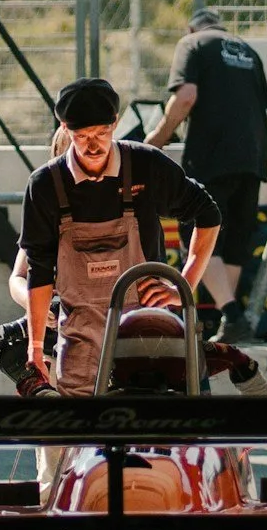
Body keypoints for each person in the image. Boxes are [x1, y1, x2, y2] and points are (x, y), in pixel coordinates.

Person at [22, 77, 221, 394]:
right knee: (80, 420)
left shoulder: (145, 165)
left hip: (145, 328)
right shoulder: (46, 184)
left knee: (151, 415)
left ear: (115, 123)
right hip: (80, 336)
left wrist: (183, 286)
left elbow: (208, 213)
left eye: (101, 134)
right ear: (65, 128)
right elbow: (39, 268)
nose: (92, 146)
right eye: (82, 136)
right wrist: (35, 348)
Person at [148, 8, 267, 340]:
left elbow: (186, 96)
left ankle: (231, 313)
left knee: (196, 229)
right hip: (254, 156)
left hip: (212, 155)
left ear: (191, 28)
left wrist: (157, 139)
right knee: (234, 239)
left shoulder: (192, 44)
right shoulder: (248, 51)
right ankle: (229, 321)